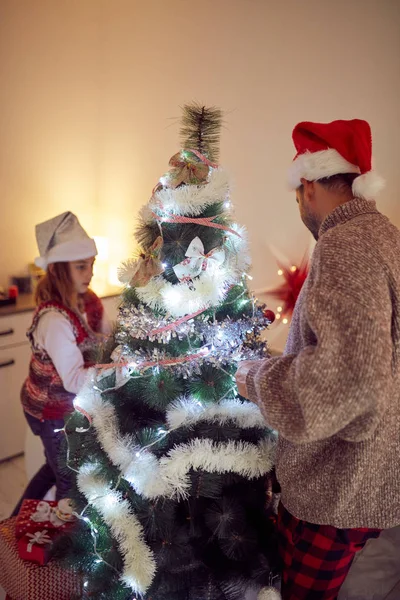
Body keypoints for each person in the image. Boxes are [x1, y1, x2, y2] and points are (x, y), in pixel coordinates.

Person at [236, 119, 400, 600]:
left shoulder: (343, 245)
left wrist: (254, 376)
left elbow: (347, 380)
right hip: (378, 476)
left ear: (307, 186)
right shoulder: (386, 235)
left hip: (341, 489)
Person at [12, 212, 111, 516]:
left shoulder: (89, 300)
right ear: (58, 270)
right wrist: (116, 369)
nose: (89, 273)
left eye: (91, 264)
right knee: (68, 481)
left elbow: (107, 338)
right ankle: (65, 547)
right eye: (81, 266)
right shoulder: (53, 320)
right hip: (49, 411)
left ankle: (14, 520)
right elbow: (73, 380)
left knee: (52, 467)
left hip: (67, 405)